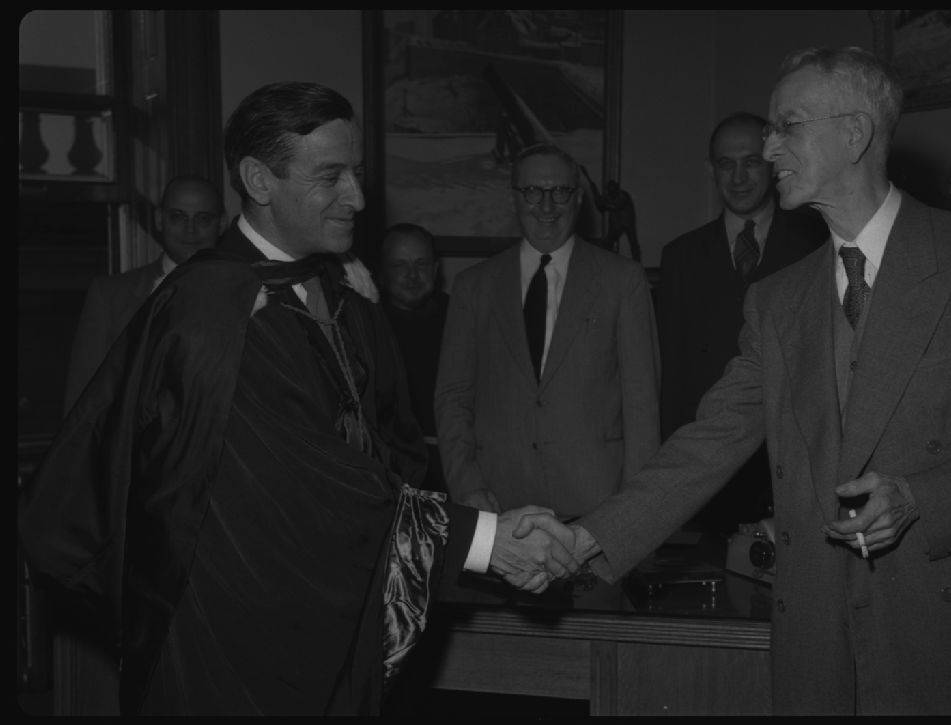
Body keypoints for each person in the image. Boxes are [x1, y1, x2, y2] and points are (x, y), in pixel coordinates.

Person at [18, 81, 578, 716]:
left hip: (329, 618)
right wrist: (484, 541)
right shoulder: (211, 312)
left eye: (357, 173)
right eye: (330, 177)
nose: (357, 197)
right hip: (231, 644)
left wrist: (475, 531)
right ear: (259, 180)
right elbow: (308, 480)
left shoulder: (346, 296)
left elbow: (393, 448)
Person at [523, 46, 951, 716]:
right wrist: (586, 540)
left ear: (854, 134)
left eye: (788, 127)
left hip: (942, 636)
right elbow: (707, 443)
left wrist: (919, 497)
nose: (767, 148)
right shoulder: (777, 300)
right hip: (816, 646)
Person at [435, 142, 661, 523]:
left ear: (578, 199)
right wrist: (467, 486)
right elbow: (453, 398)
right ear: (513, 197)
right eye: (532, 191)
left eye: (560, 191)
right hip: (498, 506)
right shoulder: (473, 287)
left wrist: (634, 515)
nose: (546, 205)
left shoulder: (623, 281)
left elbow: (642, 406)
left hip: (598, 509)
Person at [657, 112, 828, 534]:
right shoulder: (680, 257)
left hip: (797, 467)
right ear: (710, 170)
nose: (738, 177)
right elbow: (672, 377)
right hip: (710, 471)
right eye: (725, 164)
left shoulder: (818, 244)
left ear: (773, 163)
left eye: (751, 162)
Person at [63, 174, 226, 410]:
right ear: (159, 220)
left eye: (203, 219)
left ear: (222, 224)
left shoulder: (244, 294)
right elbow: (82, 403)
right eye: (177, 217)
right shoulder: (109, 296)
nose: (190, 230)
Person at [378, 222, 449, 493]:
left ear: (436, 269)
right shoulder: (365, 324)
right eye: (400, 265)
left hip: (451, 467)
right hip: (387, 472)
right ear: (381, 272)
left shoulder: (461, 317)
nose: (412, 275)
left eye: (421, 264)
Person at [582, 167, 641, 263]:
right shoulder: (609, 197)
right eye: (610, 192)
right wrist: (596, 194)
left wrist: (605, 203)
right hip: (617, 224)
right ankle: (609, 262)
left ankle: (637, 263)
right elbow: (600, 205)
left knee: (633, 243)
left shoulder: (623, 195)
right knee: (608, 243)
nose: (612, 194)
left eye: (614, 191)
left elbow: (618, 204)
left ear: (617, 189)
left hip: (627, 222)